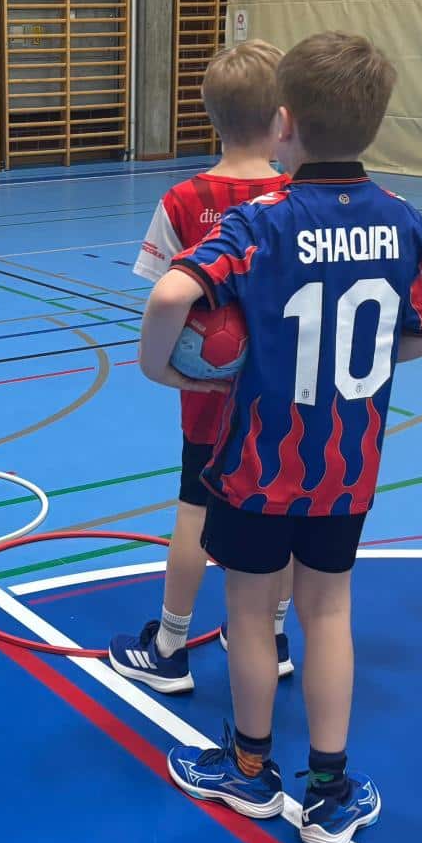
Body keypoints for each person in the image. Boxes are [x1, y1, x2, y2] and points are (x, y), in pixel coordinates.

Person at [146, 32, 422, 843]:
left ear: (285, 123)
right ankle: (330, 787)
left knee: (250, 613)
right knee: (329, 610)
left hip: (255, 464)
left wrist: (162, 368)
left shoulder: (261, 222)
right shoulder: (402, 219)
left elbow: (172, 292)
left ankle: (249, 769)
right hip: (348, 465)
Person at [108, 38, 298, 695]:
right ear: (283, 117)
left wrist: (166, 368)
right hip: (288, 395)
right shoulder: (298, 197)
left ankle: (168, 646)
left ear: (209, 114)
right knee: (280, 512)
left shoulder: (183, 200)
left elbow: (163, 295)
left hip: (209, 398)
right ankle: (273, 637)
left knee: (195, 510)